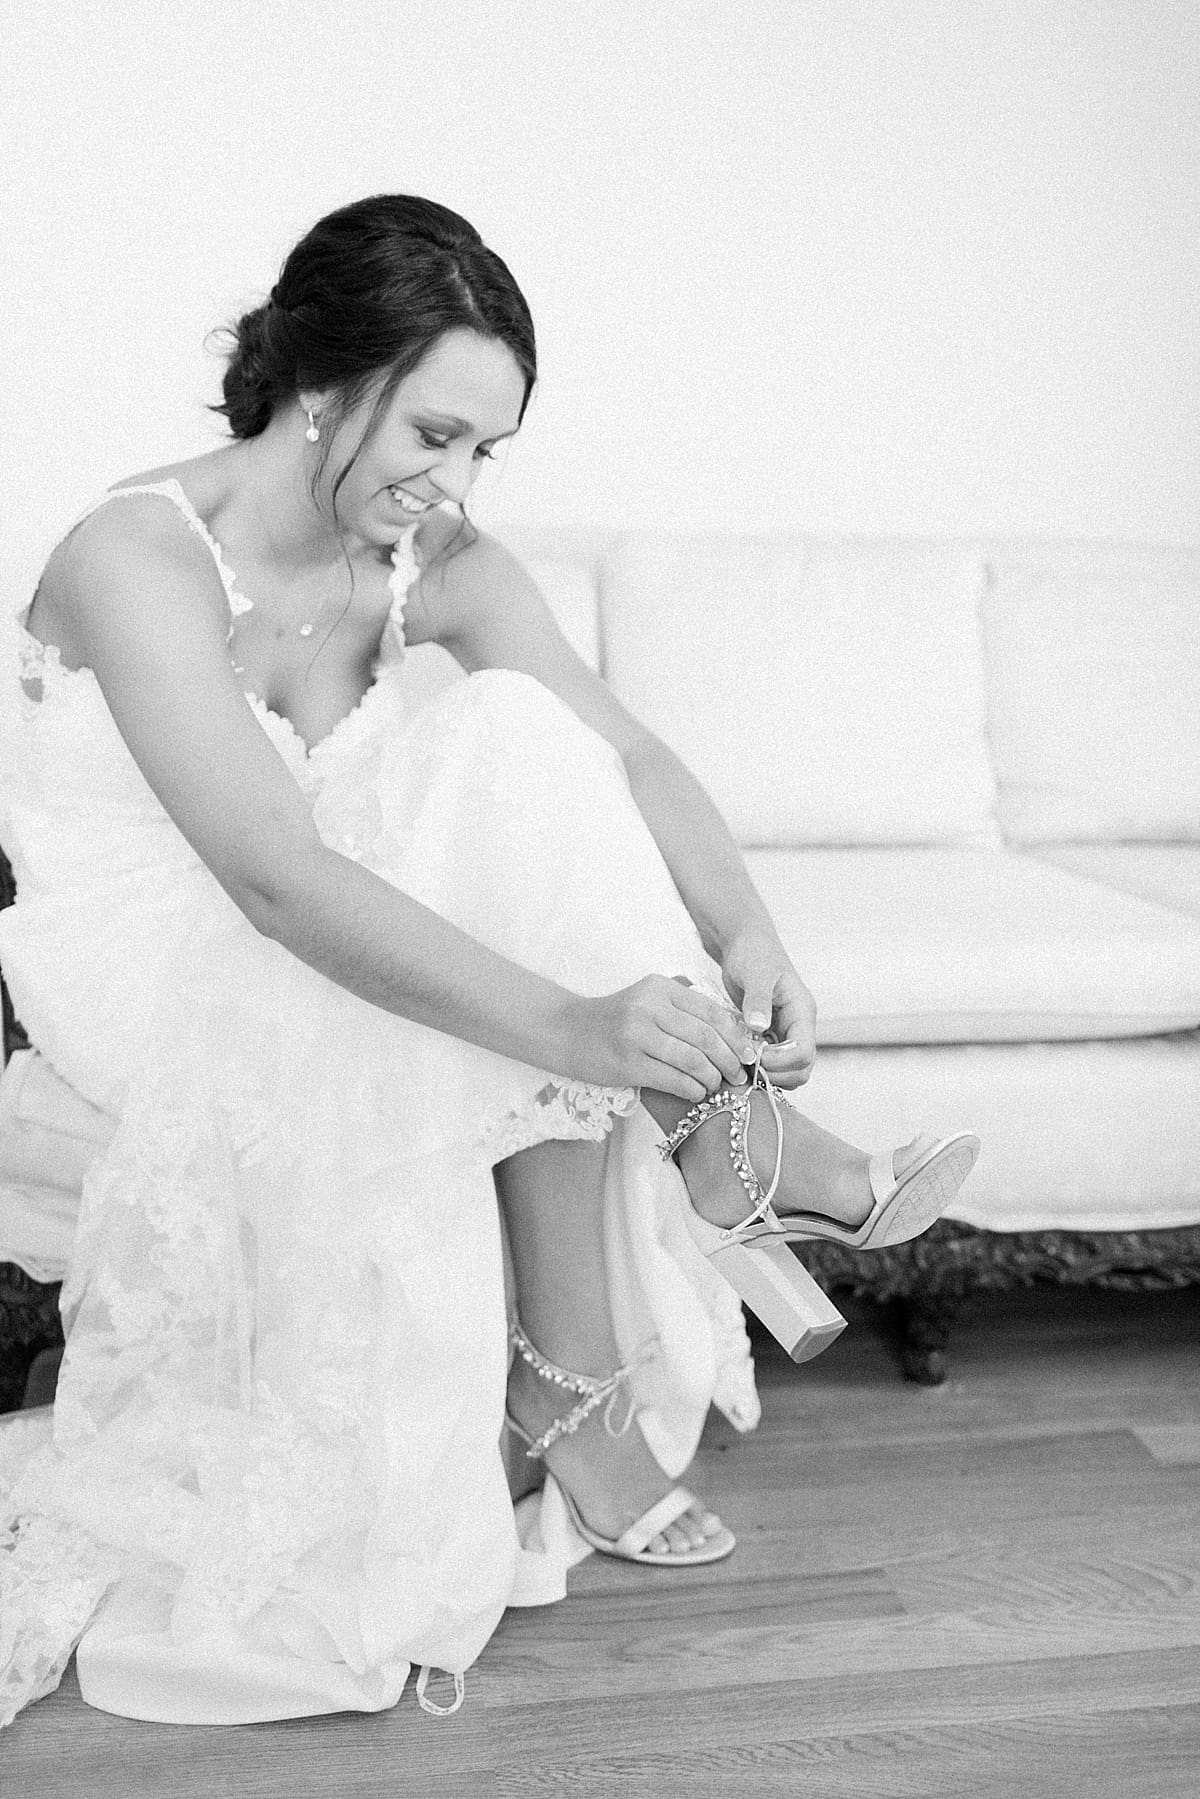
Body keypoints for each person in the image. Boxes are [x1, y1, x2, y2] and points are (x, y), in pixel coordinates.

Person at [0, 194, 978, 1728]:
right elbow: (270, 878)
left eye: (484, 453)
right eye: (433, 435)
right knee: (512, 897)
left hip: (334, 909)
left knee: (518, 747)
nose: (452, 487)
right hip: (160, 958)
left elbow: (625, 751)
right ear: (322, 381)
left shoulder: (432, 556)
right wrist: (589, 1026)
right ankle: (706, 1205)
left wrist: (745, 932)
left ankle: (612, 1319)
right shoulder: (140, 553)